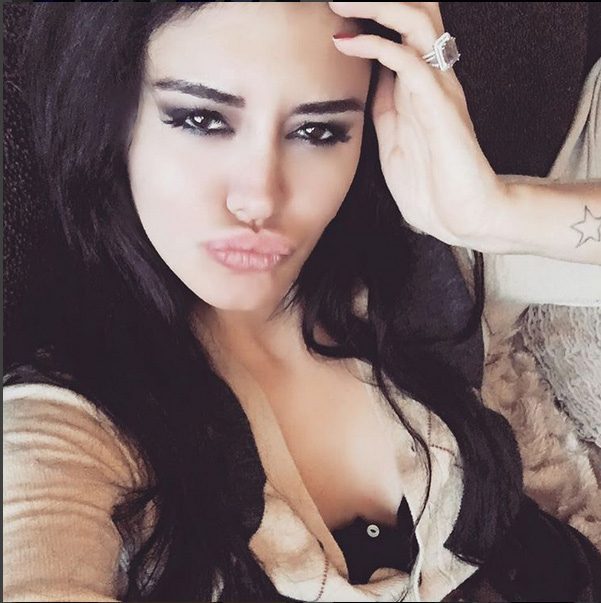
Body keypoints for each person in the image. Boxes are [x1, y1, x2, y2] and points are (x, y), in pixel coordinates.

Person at [3, 3, 600, 602]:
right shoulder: (66, 428)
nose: (260, 198)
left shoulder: (409, 264)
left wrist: (495, 212)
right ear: (113, 116)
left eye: (318, 131)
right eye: (202, 119)